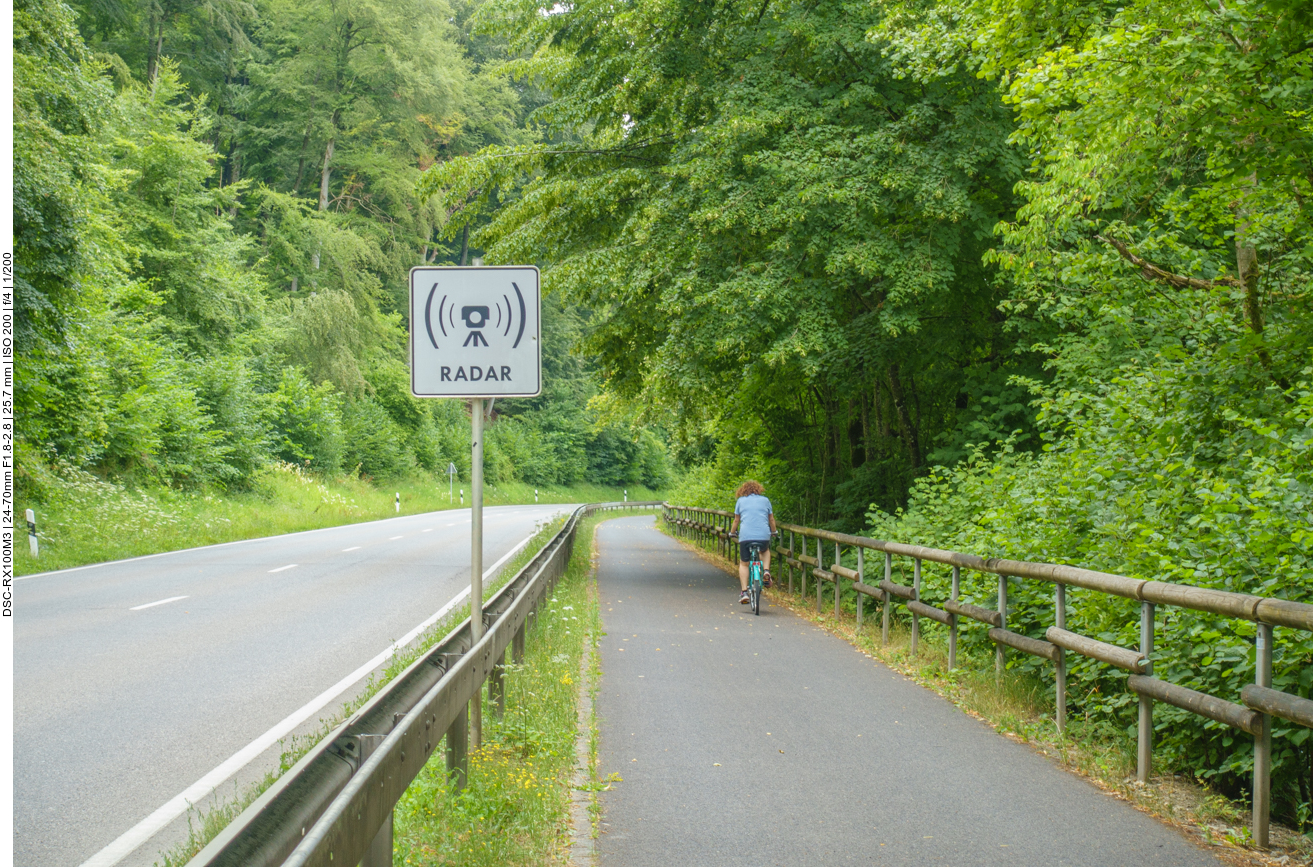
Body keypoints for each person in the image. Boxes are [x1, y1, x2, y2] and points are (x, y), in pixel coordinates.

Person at [730, 480, 777, 604]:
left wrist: (732, 532)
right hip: (763, 535)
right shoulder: (765, 500)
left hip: (746, 536)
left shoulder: (740, 501)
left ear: (743, 490)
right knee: (765, 550)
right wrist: (774, 531)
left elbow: (736, 520)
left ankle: (744, 592)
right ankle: (766, 570)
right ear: (758, 489)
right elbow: (771, 519)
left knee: (744, 564)